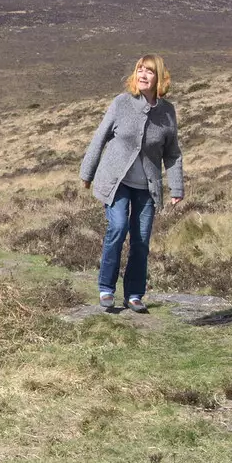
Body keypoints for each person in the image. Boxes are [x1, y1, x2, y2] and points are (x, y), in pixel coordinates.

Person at [78, 54, 184, 313]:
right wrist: (87, 173)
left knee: (141, 239)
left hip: (146, 187)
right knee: (118, 226)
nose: (143, 75)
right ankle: (106, 288)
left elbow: (172, 153)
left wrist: (177, 187)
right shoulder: (121, 103)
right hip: (117, 181)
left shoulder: (167, 113)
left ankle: (134, 294)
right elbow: (99, 138)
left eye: (149, 71)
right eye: (140, 70)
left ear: (159, 77)